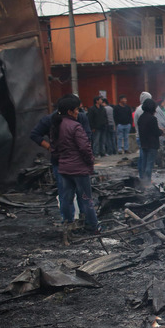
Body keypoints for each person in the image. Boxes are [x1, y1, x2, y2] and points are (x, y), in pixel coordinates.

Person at [50, 95, 101, 233]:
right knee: (86, 198)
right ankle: (93, 225)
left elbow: (53, 148)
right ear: (70, 111)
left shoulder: (57, 125)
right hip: (78, 169)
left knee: (66, 198)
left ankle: (68, 224)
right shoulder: (75, 126)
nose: (78, 112)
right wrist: (90, 161)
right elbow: (84, 147)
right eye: (77, 110)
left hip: (64, 168)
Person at [136, 98, 162, 190]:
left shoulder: (141, 118)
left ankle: (144, 180)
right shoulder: (152, 119)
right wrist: (161, 131)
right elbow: (156, 132)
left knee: (144, 163)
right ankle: (147, 182)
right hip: (152, 144)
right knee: (149, 164)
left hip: (144, 143)